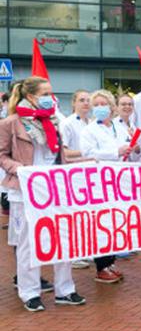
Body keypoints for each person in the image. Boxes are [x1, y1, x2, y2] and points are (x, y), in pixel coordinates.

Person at [0, 76, 86, 311]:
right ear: (30, 96)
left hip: (55, 188)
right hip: (26, 190)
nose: (51, 99)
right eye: (45, 94)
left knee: (63, 239)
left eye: (51, 94)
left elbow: (60, 155)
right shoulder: (11, 123)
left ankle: (65, 290)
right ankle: (29, 292)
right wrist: (21, 170)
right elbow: (2, 155)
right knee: (28, 242)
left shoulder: (54, 121)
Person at [80, 90, 141, 283]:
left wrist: (135, 148)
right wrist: (116, 151)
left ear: (111, 106)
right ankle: (101, 266)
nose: (100, 108)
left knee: (116, 222)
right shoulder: (89, 130)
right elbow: (88, 153)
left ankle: (110, 261)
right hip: (100, 181)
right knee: (103, 223)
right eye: (95, 104)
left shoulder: (119, 126)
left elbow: (131, 152)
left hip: (120, 180)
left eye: (103, 104)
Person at [58, 89, 92, 269]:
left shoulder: (91, 123)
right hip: (73, 174)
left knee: (86, 215)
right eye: (81, 100)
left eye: (88, 100)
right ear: (74, 103)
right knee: (73, 215)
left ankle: (85, 250)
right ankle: (73, 254)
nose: (86, 103)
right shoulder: (68, 124)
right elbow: (63, 151)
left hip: (88, 175)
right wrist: (86, 152)